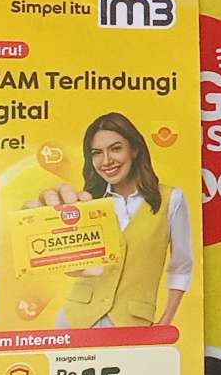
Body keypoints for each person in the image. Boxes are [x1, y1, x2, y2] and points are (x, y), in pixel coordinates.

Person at [29, 112, 192, 330]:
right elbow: (72, 265)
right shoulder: (87, 202)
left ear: (134, 149)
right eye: (97, 153)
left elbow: (181, 267)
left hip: (133, 323)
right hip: (75, 319)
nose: (106, 161)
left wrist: (165, 323)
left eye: (115, 149)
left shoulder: (171, 200)